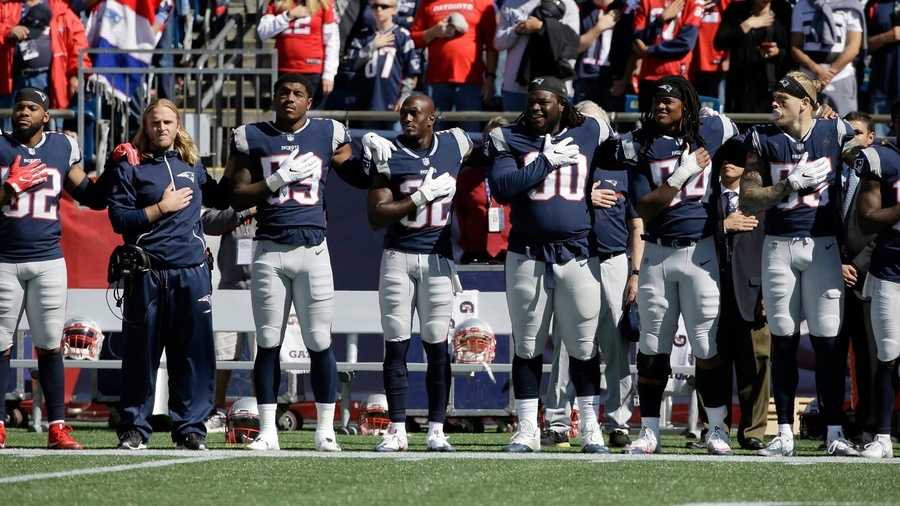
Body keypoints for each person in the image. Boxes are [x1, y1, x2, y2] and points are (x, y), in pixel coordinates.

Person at [226, 73, 368, 452]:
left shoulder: (327, 133)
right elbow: (235, 195)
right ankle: (268, 430)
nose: (289, 98)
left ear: (310, 102)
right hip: (270, 250)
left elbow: (357, 176)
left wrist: (370, 155)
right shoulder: (252, 136)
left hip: (313, 251)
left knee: (320, 341)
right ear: (274, 98)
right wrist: (274, 182)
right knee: (268, 341)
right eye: (283, 93)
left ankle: (325, 429)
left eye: (298, 94)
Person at [487, 76, 614, 453]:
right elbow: (503, 188)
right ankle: (527, 428)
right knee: (527, 345)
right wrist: (544, 162)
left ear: (562, 103)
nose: (536, 108)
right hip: (528, 253)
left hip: (577, 252)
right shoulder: (509, 136)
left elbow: (622, 154)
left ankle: (591, 427)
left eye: (544, 102)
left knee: (583, 345)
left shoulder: (590, 129)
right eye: (532, 101)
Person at [739, 71, 862, 457]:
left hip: (823, 245)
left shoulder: (834, 132)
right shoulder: (764, 138)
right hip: (778, 246)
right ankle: (786, 433)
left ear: (805, 104)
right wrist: (787, 185)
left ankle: (834, 432)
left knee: (829, 342)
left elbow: (864, 152)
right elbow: (749, 199)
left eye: (783, 98)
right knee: (784, 340)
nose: (774, 104)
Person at [618, 76, 738, 456]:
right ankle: (650, 430)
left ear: (687, 104)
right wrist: (680, 175)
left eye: (670, 100)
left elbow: (752, 145)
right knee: (653, 345)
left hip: (700, 250)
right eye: (657, 100)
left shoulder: (712, 128)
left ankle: (716, 428)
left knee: (706, 344)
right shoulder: (640, 142)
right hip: (656, 253)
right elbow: (644, 207)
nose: (662, 105)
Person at [107, 98, 229, 451]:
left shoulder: (193, 164)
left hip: (191, 273)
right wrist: (161, 207)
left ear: (178, 127)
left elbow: (223, 197)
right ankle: (133, 428)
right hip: (147, 272)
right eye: (154, 122)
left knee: (193, 355)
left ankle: (190, 428)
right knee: (140, 355)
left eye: (167, 122)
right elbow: (119, 220)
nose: (161, 128)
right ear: (145, 127)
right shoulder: (130, 165)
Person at [361, 94, 472, 452]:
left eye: (414, 113)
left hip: (438, 259)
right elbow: (376, 215)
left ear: (432, 118)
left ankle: (437, 427)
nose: (406, 118)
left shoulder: (455, 142)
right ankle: (396, 428)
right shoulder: (387, 152)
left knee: (437, 345)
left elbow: (495, 143)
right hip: (398, 257)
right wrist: (421, 197)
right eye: (403, 112)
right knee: (396, 344)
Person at [0, 87, 106, 450]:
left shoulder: (62, 147)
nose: (23, 112)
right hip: (4, 259)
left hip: (47, 259)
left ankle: (57, 426)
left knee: (49, 344)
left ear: (46, 115)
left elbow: (89, 195)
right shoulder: (0, 146)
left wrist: (119, 171)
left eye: (32, 107)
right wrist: (10, 188)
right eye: (19, 107)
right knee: (1, 343)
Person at [709, 136, 771, 451]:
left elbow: (772, 247)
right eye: (724, 156)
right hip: (711, 290)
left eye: (738, 157)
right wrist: (722, 225)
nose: (729, 162)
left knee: (757, 362)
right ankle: (714, 429)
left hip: (754, 290)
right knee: (711, 360)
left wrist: (767, 292)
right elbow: (690, 232)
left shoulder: (762, 198)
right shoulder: (705, 198)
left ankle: (755, 431)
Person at [855, 105, 900, 459]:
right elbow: (868, 218)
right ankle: (882, 436)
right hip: (891, 267)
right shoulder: (880, 158)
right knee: (886, 353)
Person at [839, 111, 877, 444]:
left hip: (869, 275)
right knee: (831, 352)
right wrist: (838, 262)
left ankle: (870, 426)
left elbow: (882, 229)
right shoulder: (828, 174)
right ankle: (834, 427)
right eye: (846, 134)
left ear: (870, 139)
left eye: (858, 133)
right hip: (829, 271)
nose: (852, 139)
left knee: (869, 354)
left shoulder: (879, 176)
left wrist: (858, 264)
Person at [200, 205, 257, 431]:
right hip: (230, 288)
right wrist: (245, 211)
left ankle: (259, 409)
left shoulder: (272, 197)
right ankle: (219, 409)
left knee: (259, 356)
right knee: (223, 356)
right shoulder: (231, 199)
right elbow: (209, 222)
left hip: (261, 289)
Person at [410, 0, 497, 131]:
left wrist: (490, 78)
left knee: (470, 134)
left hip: (470, 82)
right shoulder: (428, 3)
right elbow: (413, 40)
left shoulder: (483, 3)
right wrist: (434, 32)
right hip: (436, 82)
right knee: (434, 134)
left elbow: (492, 45)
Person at [333, 0, 422, 125]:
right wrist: (372, 46)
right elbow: (350, 64)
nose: (379, 10)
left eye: (384, 6)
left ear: (394, 10)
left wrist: (404, 97)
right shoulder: (363, 36)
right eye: (375, 6)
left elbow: (411, 72)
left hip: (393, 103)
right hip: (366, 103)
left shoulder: (402, 36)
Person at [0, 0, 90, 117]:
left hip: (50, 80)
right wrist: (7, 32)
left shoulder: (60, 9)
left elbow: (78, 44)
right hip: (13, 81)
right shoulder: (6, 7)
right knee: (12, 128)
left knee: (50, 126)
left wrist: (76, 74)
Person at [494, 0, 580, 111]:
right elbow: (498, 44)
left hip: (555, 87)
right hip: (516, 87)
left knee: (553, 128)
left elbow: (572, 43)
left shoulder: (567, 4)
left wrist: (541, 26)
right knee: (514, 127)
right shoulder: (510, 4)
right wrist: (517, 30)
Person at [713, 0, 792, 114]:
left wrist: (778, 51)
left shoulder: (783, 10)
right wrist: (747, 24)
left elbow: (793, 49)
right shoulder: (736, 9)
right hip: (741, 88)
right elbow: (719, 43)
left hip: (773, 89)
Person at [258, 0, 340, 105]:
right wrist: (288, 15)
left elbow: (332, 41)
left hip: (312, 72)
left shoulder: (324, 3)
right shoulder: (277, 2)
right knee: (287, 115)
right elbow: (263, 32)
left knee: (308, 116)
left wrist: (329, 75)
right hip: (283, 70)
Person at [789, 0, 864, 115]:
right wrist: (817, 70)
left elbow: (854, 46)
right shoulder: (801, 5)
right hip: (809, 77)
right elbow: (795, 47)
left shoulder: (851, 5)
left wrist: (830, 73)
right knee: (807, 123)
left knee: (844, 123)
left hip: (841, 76)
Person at [632, 0, 703, 112]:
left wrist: (649, 50)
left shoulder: (692, 3)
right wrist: (660, 19)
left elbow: (685, 43)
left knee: (675, 126)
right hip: (648, 77)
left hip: (677, 78)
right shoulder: (646, 2)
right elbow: (637, 39)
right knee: (648, 125)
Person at [573, 0, 626, 111]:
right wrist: (599, 28)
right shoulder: (580, 8)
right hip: (584, 77)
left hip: (613, 80)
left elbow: (632, 48)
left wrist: (624, 78)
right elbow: (574, 47)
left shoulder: (625, 9)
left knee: (614, 123)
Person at [865, 0, 900, 137]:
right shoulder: (873, 5)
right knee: (880, 144)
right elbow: (864, 44)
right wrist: (888, 36)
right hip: (881, 86)